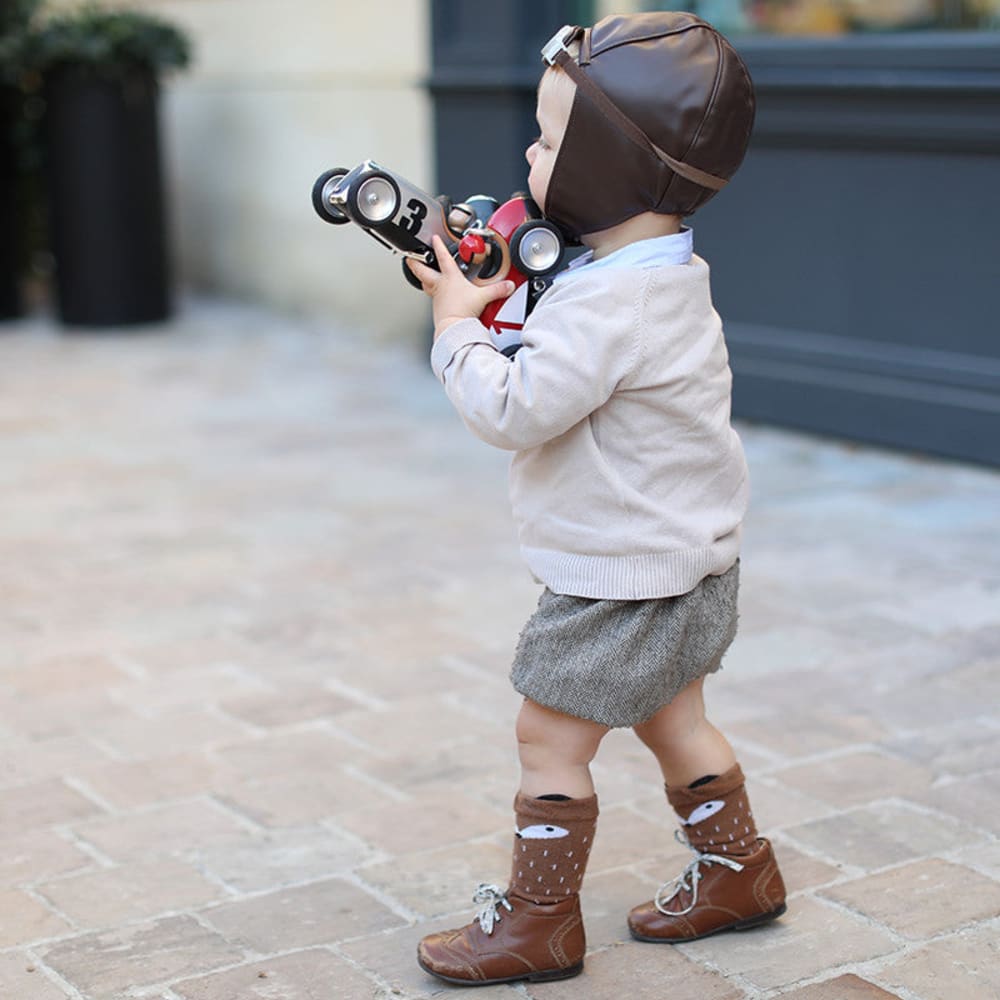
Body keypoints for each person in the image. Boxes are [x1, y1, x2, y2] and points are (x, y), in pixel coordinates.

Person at [406, 11, 786, 988]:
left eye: (544, 140)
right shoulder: (648, 273)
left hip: (615, 582)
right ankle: (740, 872)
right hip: (688, 563)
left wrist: (456, 327)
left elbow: (515, 404)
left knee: (545, 734)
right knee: (675, 721)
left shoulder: (612, 303)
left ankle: (539, 924)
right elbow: (562, 329)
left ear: (604, 165)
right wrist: (492, 291)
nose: (530, 155)